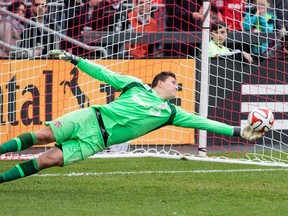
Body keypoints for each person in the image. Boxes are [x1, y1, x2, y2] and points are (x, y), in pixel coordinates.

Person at [0, 49, 263, 184]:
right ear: (160, 83)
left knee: (49, 159)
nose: (177, 87)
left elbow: (203, 122)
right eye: (174, 82)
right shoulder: (135, 85)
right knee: (43, 134)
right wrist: (74, 59)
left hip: (97, 141)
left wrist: (238, 131)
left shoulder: (171, 113)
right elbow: (104, 73)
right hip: (90, 118)